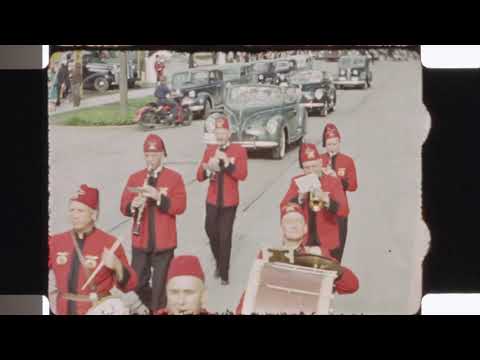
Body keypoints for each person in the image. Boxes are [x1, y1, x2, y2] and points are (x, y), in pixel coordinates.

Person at [235, 202, 359, 314]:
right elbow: (252, 293)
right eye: (288, 221)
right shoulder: (268, 256)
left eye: (298, 221)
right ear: (282, 228)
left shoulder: (318, 255)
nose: (293, 225)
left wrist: (327, 265)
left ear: (305, 228)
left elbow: (352, 285)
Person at [120, 134, 187, 313]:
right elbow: (123, 206)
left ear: (163, 154)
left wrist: (158, 197)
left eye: (155, 155)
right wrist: (132, 205)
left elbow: (180, 206)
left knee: (160, 288)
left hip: (164, 243)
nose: (151, 159)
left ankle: (157, 309)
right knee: (137, 284)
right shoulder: (135, 178)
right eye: (147, 155)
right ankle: (150, 308)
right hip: (140, 241)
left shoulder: (174, 178)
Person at [48, 185, 138, 315]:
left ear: (94, 214)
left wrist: (117, 265)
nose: (74, 215)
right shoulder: (56, 241)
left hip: (97, 308)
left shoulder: (109, 242)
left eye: (80, 211)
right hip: (63, 309)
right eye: (72, 210)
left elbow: (130, 285)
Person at [196, 116, 248, 285]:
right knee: (210, 231)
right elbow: (199, 176)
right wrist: (206, 169)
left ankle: (224, 273)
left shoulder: (238, 150)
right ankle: (219, 261)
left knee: (225, 236)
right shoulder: (209, 149)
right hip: (212, 199)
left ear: (229, 133)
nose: (219, 136)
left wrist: (227, 163)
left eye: (223, 132)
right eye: (217, 132)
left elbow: (242, 175)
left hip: (229, 201)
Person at [281, 143, 348, 256]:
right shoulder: (297, 182)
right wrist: (299, 198)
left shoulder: (332, 182)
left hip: (328, 242)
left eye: (314, 166)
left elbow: (344, 210)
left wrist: (327, 200)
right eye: (307, 168)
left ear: (321, 163)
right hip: (303, 241)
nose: (311, 171)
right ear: (302, 168)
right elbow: (283, 207)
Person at [319, 124, 358, 262]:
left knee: (338, 246)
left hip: (340, 209)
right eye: (329, 144)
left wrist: (336, 178)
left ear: (339, 143)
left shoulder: (347, 161)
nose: (332, 147)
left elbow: (353, 186)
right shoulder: (320, 160)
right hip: (322, 208)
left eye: (335, 144)